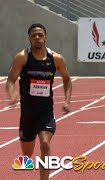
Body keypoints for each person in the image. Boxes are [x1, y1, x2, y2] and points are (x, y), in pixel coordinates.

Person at [6, 23, 72, 180]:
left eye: (40, 35)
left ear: (45, 37)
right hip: (27, 113)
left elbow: (67, 79)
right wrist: (12, 93)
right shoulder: (22, 57)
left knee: (45, 144)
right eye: (33, 35)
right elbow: (10, 80)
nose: (37, 37)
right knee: (27, 156)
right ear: (29, 38)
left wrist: (67, 101)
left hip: (46, 111)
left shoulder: (56, 59)